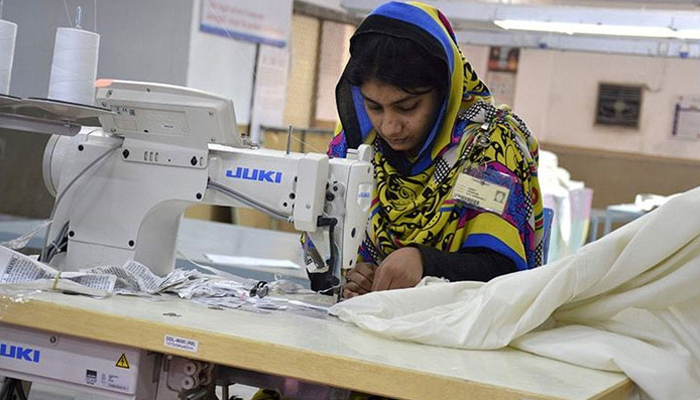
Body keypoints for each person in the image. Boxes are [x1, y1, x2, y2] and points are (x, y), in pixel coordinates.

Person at [326, 1, 545, 299]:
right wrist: (354, 275)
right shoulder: (359, 142)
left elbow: (503, 268)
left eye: (407, 107)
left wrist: (425, 261)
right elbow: (325, 239)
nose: (389, 126)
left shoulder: (486, 146)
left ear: (445, 91)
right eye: (374, 106)